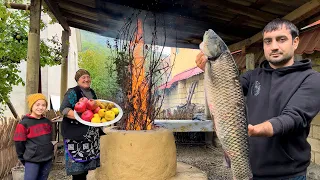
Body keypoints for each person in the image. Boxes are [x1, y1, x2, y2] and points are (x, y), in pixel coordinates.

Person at [195, 18, 320, 180]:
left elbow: (294, 117)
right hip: (248, 170)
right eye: (268, 41)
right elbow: (225, 91)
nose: (274, 46)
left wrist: (259, 129)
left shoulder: (311, 79)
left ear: (295, 42)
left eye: (281, 39)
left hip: (288, 175)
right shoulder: (252, 76)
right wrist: (210, 68)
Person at [60, 69, 103, 180]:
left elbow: (95, 111)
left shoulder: (92, 92)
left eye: (88, 77)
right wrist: (81, 116)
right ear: (78, 80)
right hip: (76, 137)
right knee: (77, 171)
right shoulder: (72, 92)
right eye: (83, 77)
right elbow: (64, 109)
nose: (86, 79)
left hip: (89, 138)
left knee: (84, 171)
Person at [13, 93, 53, 180]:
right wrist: (23, 158)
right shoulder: (24, 124)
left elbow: (49, 138)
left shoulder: (47, 122)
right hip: (32, 160)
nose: (40, 107)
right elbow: (19, 142)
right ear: (31, 106)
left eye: (43, 105)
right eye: (37, 104)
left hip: (47, 159)